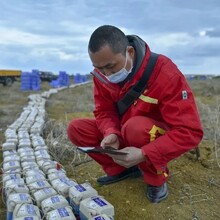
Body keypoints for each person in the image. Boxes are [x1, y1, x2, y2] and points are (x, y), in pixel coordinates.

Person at [67, 25, 203, 203]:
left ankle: (156, 178)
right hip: (124, 130)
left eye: (111, 67)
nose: (107, 75)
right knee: (76, 128)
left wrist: (144, 153)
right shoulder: (103, 75)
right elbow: (104, 110)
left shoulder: (165, 72)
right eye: (100, 69)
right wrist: (111, 133)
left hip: (149, 135)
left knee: (135, 127)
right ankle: (122, 169)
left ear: (129, 52)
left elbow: (190, 131)